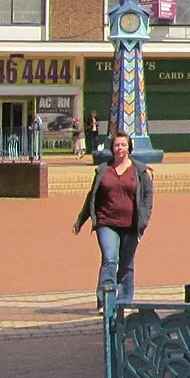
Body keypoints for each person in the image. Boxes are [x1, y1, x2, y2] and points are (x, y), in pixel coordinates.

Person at [73, 132, 154, 307]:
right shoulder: (103, 170)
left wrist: (144, 220)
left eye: (123, 145)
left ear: (129, 147)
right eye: (117, 145)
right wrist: (81, 219)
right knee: (110, 259)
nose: (120, 149)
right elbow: (92, 196)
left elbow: (148, 196)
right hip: (106, 222)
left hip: (131, 224)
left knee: (126, 263)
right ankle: (106, 301)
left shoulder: (140, 171)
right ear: (112, 148)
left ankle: (123, 302)